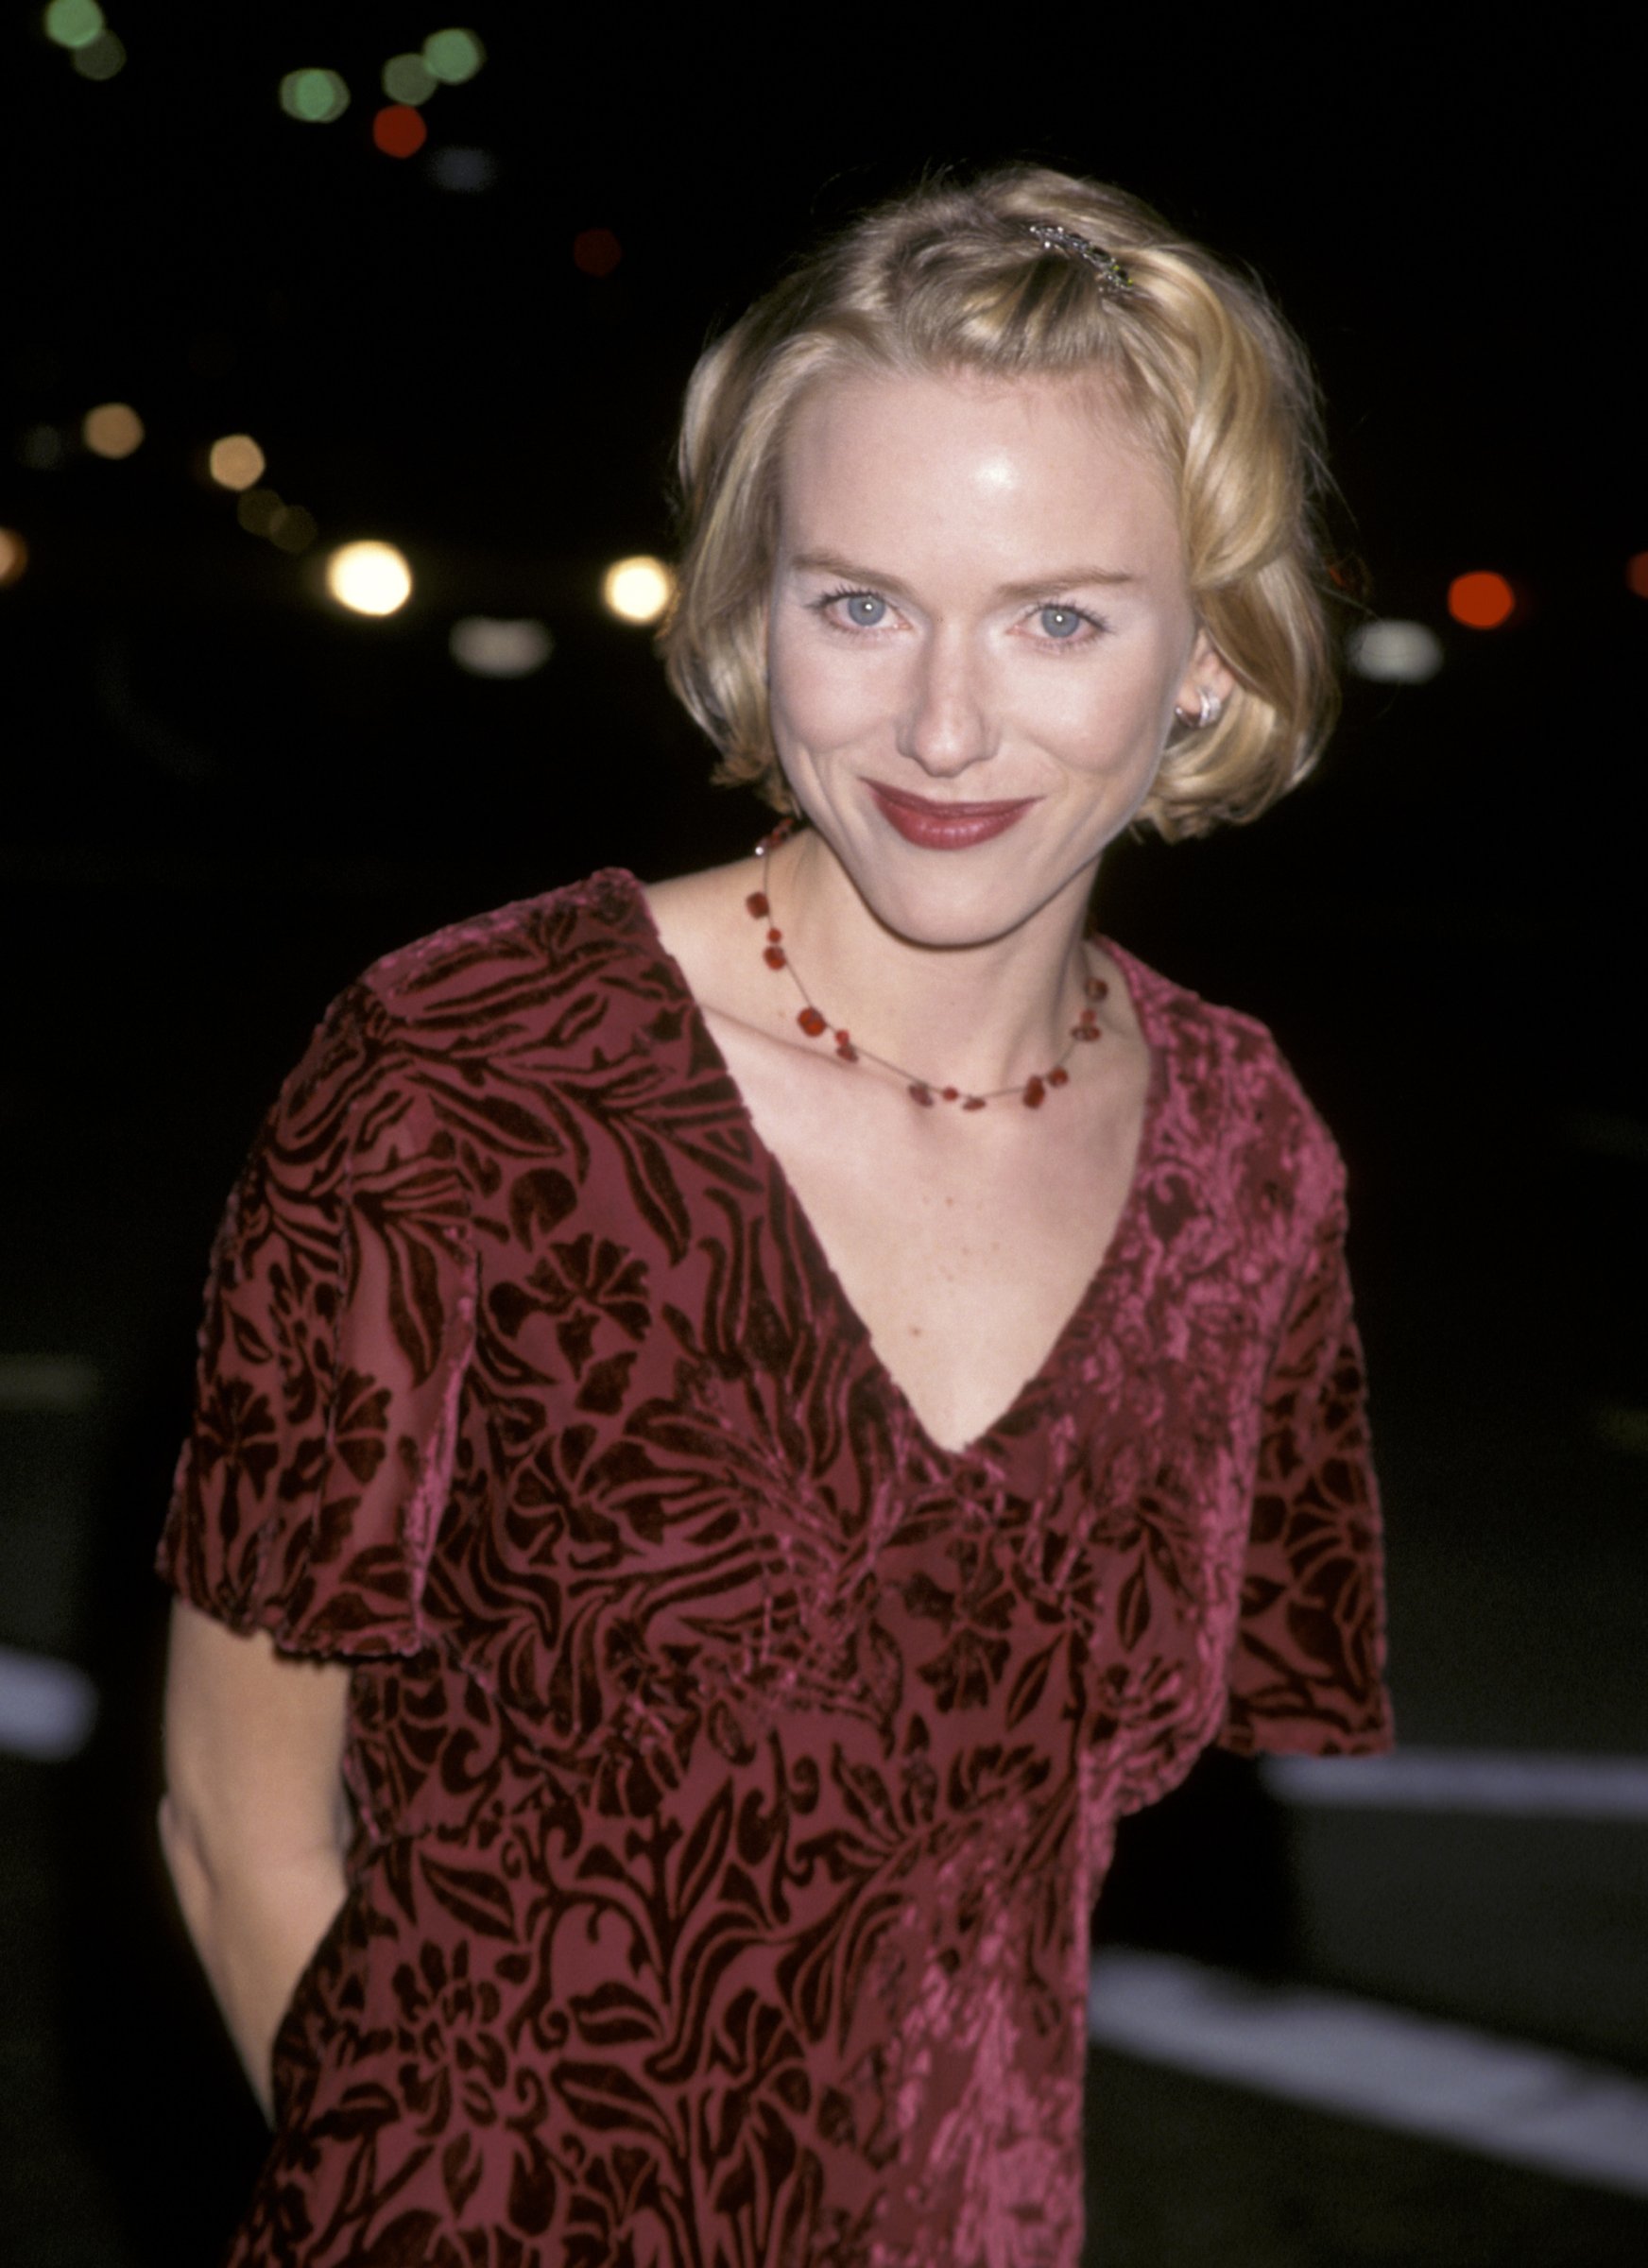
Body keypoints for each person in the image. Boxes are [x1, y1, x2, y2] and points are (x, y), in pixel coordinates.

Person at [158, 163, 1391, 2267]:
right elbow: (237, 1823)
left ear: (1210, 654)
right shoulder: (469, 1079)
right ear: (747, 616)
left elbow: (1016, 1872)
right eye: (859, 604)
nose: (941, 726)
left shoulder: (1246, 1161)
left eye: (1059, 618)